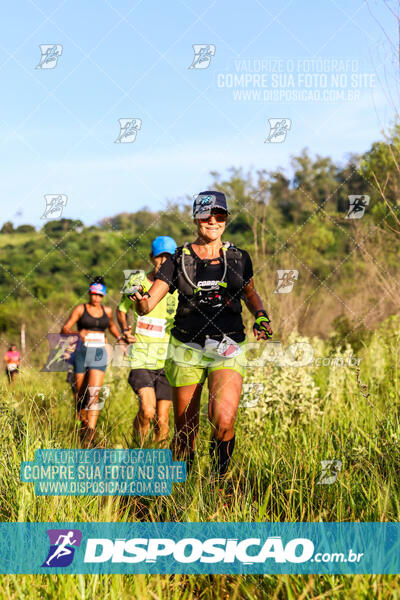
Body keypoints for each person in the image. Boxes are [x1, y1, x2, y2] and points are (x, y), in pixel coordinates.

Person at [132, 191, 272, 481]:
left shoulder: (238, 257)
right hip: (187, 348)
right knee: (185, 435)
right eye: (207, 216)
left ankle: (220, 483)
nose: (213, 222)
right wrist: (138, 300)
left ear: (225, 219)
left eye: (220, 216)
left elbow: (250, 292)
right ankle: (184, 490)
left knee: (223, 421)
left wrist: (260, 315)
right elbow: (148, 305)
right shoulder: (177, 260)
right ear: (196, 218)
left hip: (228, 344)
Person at [117, 236, 178, 447]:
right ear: (151, 257)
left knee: (163, 421)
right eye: (160, 256)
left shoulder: (178, 289)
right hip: (141, 360)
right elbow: (122, 309)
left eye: (168, 257)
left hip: (167, 363)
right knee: (147, 410)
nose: (163, 261)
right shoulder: (137, 280)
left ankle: (156, 462)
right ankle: (138, 448)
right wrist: (125, 330)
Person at [61, 276, 123, 447]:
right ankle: (83, 425)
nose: (96, 298)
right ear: (89, 293)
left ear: (103, 296)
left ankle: (90, 433)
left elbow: (110, 325)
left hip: (98, 353)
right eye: (94, 294)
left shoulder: (108, 311)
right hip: (81, 352)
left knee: (94, 392)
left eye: (100, 295)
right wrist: (76, 333)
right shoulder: (80, 309)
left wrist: (119, 338)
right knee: (81, 394)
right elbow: (64, 328)